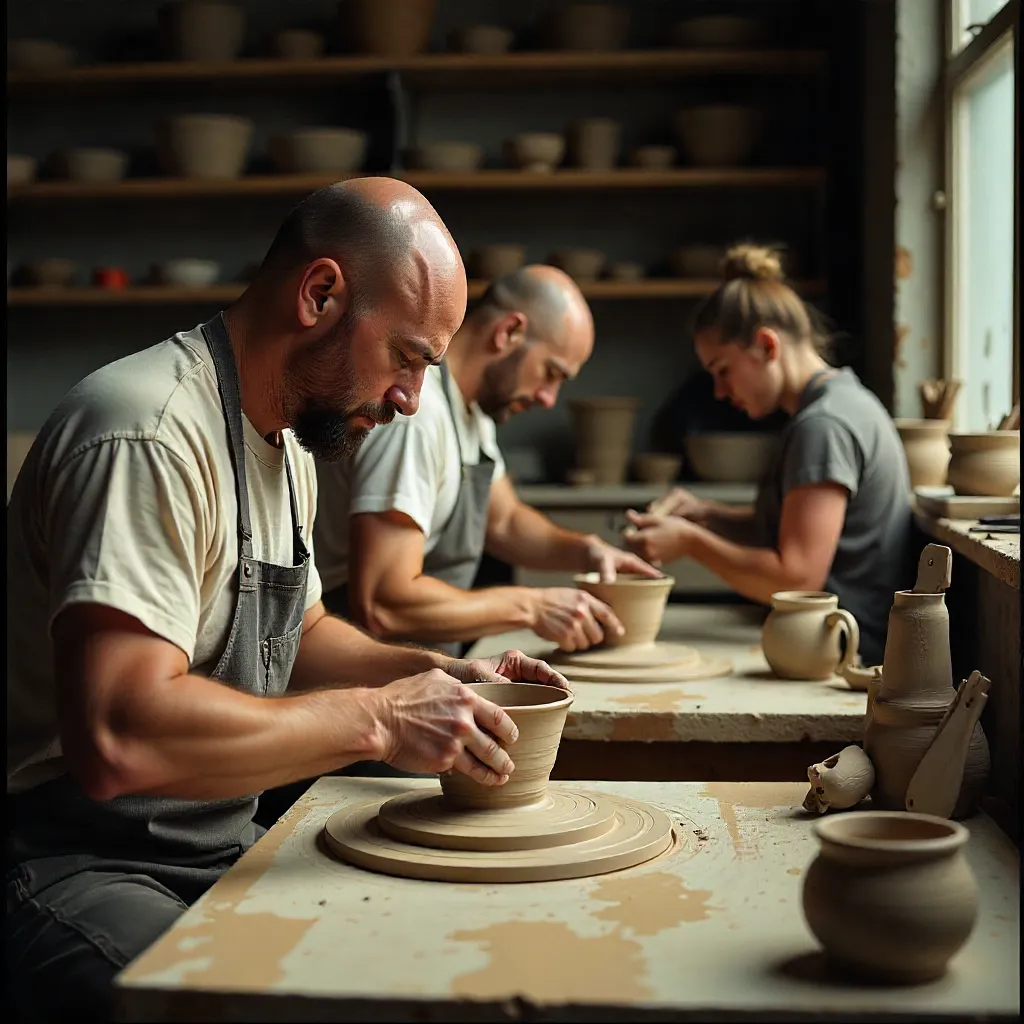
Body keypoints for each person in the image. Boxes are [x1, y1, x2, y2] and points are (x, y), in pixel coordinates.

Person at [5, 179, 567, 1023]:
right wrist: (379, 719)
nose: (414, 399)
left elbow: (298, 633)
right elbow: (119, 734)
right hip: (72, 862)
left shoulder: (290, 438)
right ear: (320, 294)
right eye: (408, 357)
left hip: (218, 845)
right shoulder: (147, 433)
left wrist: (447, 675)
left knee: (471, 963)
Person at [313, 264, 660, 658]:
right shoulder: (418, 419)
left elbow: (506, 520)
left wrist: (588, 550)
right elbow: (383, 602)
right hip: (346, 666)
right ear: (508, 333)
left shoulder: (471, 413)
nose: (549, 399)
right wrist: (533, 607)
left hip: (411, 664)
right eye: (550, 373)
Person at [624, 244, 912, 665]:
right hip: (824, 637)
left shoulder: (824, 425)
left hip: (847, 653)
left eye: (723, 370)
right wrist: (705, 514)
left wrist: (690, 542)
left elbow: (797, 576)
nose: (720, 393)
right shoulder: (835, 402)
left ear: (766, 345)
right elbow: (798, 528)